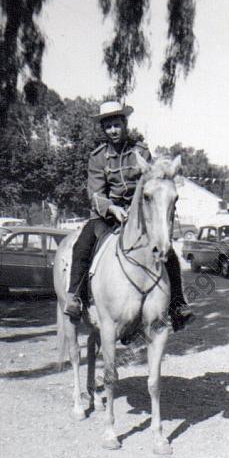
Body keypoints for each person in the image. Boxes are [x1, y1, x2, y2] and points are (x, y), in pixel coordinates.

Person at [64, 100, 194, 331]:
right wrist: (112, 208)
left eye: (117, 125)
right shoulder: (98, 157)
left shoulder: (141, 151)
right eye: (108, 126)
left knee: (168, 252)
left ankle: (177, 304)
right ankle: (76, 297)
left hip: (138, 215)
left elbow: (152, 180)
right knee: (82, 246)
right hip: (106, 216)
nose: (113, 130)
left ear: (125, 124)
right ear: (103, 130)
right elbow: (94, 193)